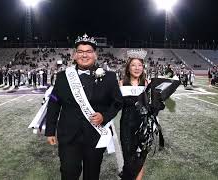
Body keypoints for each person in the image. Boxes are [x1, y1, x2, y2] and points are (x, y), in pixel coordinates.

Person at [45, 34, 123, 180]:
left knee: (92, 175)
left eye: (88, 51)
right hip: (68, 136)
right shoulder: (63, 76)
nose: (84, 55)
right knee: (68, 173)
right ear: (74, 55)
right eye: (80, 52)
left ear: (95, 55)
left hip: (95, 135)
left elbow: (118, 102)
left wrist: (104, 116)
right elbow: (54, 102)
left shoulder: (109, 77)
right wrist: (50, 131)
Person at [118, 49, 148, 180]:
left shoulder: (147, 84)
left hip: (144, 125)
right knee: (129, 157)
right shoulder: (121, 84)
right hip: (127, 126)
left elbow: (151, 106)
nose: (137, 68)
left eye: (140, 65)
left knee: (141, 157)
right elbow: (115, 105)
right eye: (133, 65)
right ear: (128, 68)